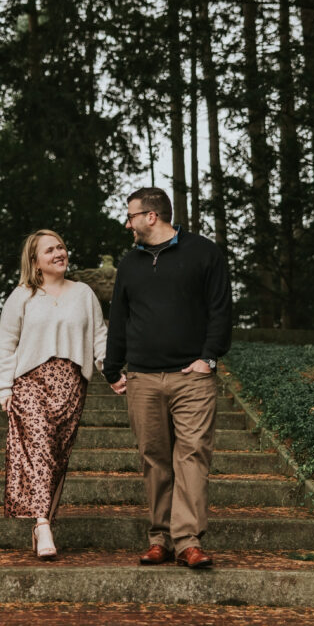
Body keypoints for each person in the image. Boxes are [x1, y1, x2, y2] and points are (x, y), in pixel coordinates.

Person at [103, 187, 232, 569]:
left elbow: (220, 308)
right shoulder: (129, 264)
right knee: (155, 458)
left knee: (192, 455)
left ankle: (188, 540)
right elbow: (120, 319)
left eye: (131, 216)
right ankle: (159, 538)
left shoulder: (204, 252)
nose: (128, 224)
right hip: (143, 377)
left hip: (190, 377)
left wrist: (209, 358)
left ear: (152, 216)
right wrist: (113, 368)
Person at [0, 229, 108, 559]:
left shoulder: (84, 293)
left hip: (72, 383)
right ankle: (42, 524)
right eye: (50, 250)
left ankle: (43, 518)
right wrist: (4, 388)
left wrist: (110, 371)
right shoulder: (22, 296)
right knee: (40, 449)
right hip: (31, 382)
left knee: (57, 455)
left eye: (61, 247)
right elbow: (5, 345)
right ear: (35, 261)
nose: (59, 253)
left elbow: (100, 337)